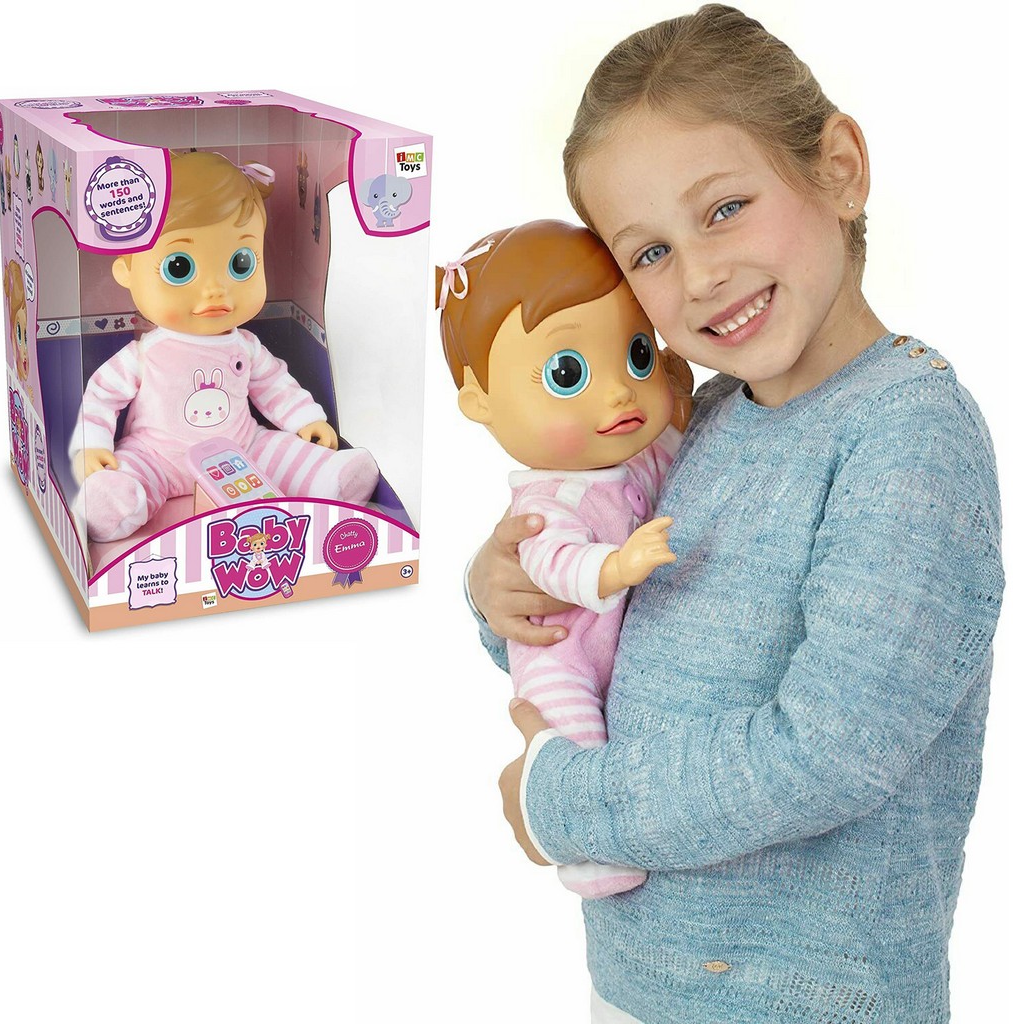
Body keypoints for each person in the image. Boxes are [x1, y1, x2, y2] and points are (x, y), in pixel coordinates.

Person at [467, 6, 1004, 1023]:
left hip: (809, 999)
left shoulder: (907, 435)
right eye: (649, 254)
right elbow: (601, 625)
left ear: (838, 169)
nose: (701, 275)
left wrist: (563, 805)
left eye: (724, 209)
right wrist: (502, 590)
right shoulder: (698, 419)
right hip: (638, 980)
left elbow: (828, 753)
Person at [437, 219, 691, 897]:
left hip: (617, 653)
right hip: (561, 655)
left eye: (637, 353)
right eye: (568, 372)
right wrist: (617, 567)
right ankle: (593, 860)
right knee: (572, 736)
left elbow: (679, 449)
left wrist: (681, 404)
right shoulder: (546, 502)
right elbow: (552, 564)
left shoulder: (638, 455)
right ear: (481, 402)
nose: (619, 391)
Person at [70, 150, 379, 543]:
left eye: (241, 263)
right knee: (125, 475)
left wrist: (305, 420)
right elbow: (101, 396)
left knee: (280, 449)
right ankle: (111, 503)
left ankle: (332, 478)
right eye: (179, 267)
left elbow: (275, 385)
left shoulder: (245, 346)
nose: (216, 289)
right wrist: (91, 446)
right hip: (155, 455)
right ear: (126, 270)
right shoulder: (146, 353)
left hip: (240, 450)